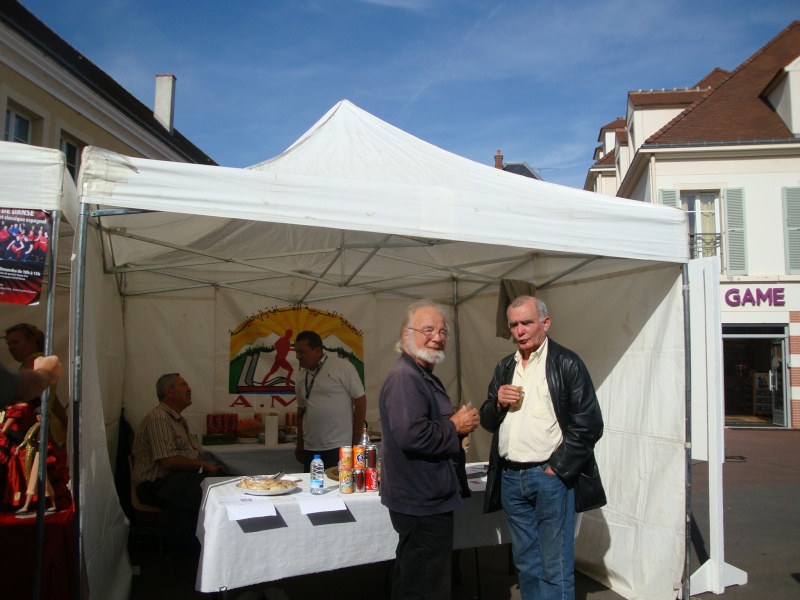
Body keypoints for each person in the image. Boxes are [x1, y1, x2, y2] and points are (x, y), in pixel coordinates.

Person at [480, 296, 605, 600]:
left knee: (554, 566)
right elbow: (486, 419)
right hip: (511, 478)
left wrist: (557, 469)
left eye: (527, 322)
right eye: (514, 324)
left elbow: (589, 423)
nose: (520, 330)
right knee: (526, 562)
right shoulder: (505, 366)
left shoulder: (566, 363)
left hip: (548, 478)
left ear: (545, 324)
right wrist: (497, 402)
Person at [379, 299, 479, 600]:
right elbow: (413, 435)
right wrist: (455, 426)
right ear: (405, 334)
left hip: (424, 496)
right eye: (428, 329)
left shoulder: (419, 374)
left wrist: (450, 421)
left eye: (443, 330)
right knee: (426, 585)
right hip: (421, 499)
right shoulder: (404, 378)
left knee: (414, 578)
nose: (437, 336)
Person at [132, 373, 221, 551]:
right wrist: (202, 465)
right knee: (209, 487)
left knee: (218, 481)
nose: (189, 389)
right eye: (184, 385)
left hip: (172, 481)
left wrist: (205, 466)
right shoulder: (159, 418)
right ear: (169, 392)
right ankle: (185, 542)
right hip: (155, 485)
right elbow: (168, 462)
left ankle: (200, 539)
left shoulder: (177, 420)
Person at [293, 330, 367, 471]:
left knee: (338, 489)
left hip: (338, 446)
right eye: (296, 352)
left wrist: (355, 440)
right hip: (311, 447)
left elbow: (361, 400)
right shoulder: (302, 376)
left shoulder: (342, 367)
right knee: (312, 489)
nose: (298, 356)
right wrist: (300, 443)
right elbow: (301, 409)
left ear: (317, 351)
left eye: (302, 352)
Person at [5, 324, 69, 444]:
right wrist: (66, 425)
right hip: (48, 426)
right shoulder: (42, 362)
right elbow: (53, 401)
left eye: (15, 342)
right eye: (9, 344)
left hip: (33, 430)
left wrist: (4, 429)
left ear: (32, 342)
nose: (11, 347)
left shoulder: (33, 362)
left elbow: (22, 400)